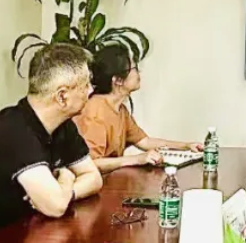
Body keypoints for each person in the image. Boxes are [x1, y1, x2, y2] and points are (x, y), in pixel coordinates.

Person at [0, 43, 103, 243]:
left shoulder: (63, 126)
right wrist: (66, 177)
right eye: (85, 85)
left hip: (26, 236)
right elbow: (55, 206)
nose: (91, 90)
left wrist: (66, 191)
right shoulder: (14, 130)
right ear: (62, 96)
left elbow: (93, 178)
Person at [75, 45, 203, 174]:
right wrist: (137, 159)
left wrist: (186, 146)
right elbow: (91, 163)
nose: (139, 73)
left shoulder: (120, 109)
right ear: (118, 80)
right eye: (134, 68)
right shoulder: (95, 111)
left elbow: (145, 142)